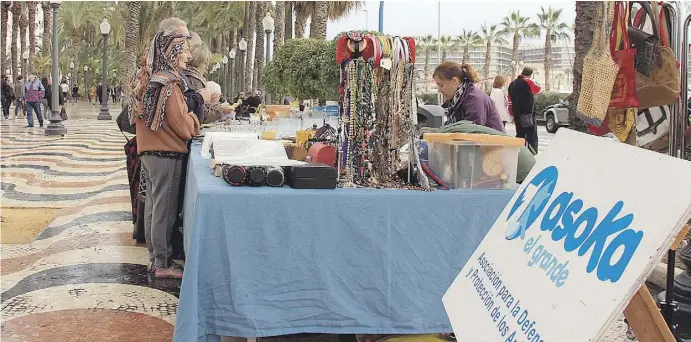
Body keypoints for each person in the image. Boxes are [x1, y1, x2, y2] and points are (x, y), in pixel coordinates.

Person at [135, 17, 200, 279]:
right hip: (166, 153)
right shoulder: (169, 84)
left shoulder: (147, 77)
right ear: (172, 49)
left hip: (149, 152)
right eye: (183, 47)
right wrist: (195, 119)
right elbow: (183, 126)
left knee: (153, 206)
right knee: (164, 209)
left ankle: (155, 257)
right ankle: (162, 263)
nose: (187, 53)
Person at [433, 61, 504, 132]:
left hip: (493, 142)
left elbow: (473, 132)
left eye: (441, 85)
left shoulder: (474, 99)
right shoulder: (457, 100)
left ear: (454, 80)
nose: (439, 90)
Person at [183, 32, 223, 123]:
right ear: (198, 61)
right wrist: (219, 109)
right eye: (205, 63)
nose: (206, 68)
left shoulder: (185, 75)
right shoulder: (195, 80)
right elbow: (201, 113)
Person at [508, 67, 542, 154]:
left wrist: (512, 114)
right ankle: (532, 154)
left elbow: (510, 101)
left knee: (520, 135)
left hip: (517, 114)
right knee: (531, 137)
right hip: (528, 114)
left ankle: (518, 153)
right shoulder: (528, 81)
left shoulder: (512, 83)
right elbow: (538, 89)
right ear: (530, 74)